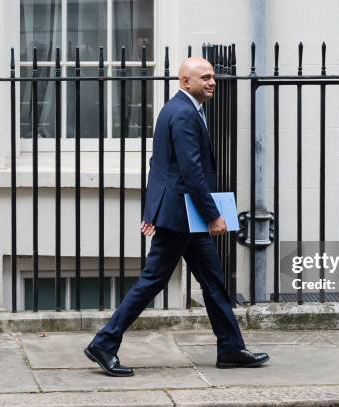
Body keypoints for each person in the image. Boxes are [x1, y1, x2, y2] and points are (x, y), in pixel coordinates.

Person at [84, 56, 270, 377]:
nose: (213, 82)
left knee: (213, 282)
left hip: (182, 216)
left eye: (213, 76)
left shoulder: (177, 109)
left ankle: (230, 347)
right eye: (206, 77)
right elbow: (190, 171)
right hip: (185, 217)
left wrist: (153, 210)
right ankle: (104, 342)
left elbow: (160, 165)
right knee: (152, 282)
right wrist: (212, 216)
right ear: (186, 82)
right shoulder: (183, 114)